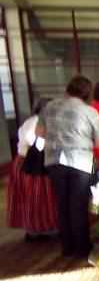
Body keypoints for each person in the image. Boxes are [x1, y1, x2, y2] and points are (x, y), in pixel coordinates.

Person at [37, 75, 99, 258]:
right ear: (87, 93)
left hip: (54, 161)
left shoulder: (49, 107)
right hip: (79, 161)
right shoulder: (89, 111)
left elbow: (39, 133)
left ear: (68, 89)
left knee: (62, 204)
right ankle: (82, 248)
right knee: (79, 205)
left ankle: (67, 248)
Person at [6, 98, 57, 240]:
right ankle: (43, 228)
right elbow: (38, 145)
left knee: (27, 198)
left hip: (22, 162)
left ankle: (32, 229)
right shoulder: (38, 122)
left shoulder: (29, 121)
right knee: (39, 197)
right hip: (34, 164)